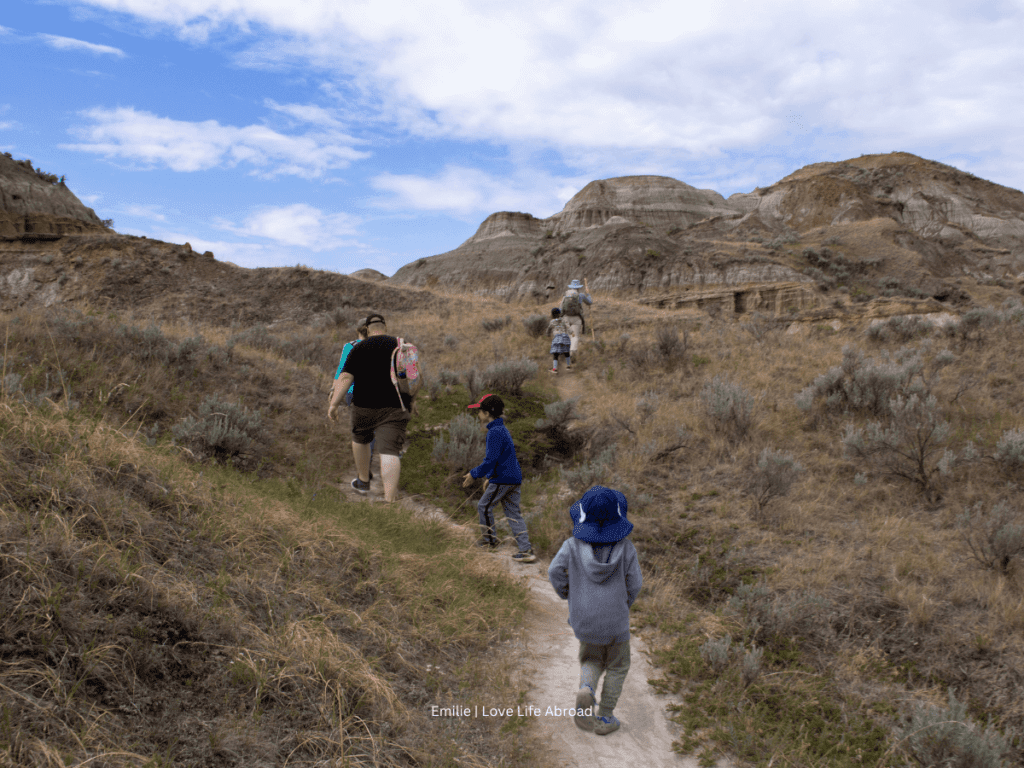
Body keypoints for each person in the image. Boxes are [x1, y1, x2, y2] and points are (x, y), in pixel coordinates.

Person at [548, 485, 642, 735]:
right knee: (618, 666)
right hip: (616, 622)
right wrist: (623, 604)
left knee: (591, 658)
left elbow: (554, 571)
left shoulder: (571, 545)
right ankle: (606, 717)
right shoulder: (627, 548)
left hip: (584, 620)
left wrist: (568, 594)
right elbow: (635, 584)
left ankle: (586, 689)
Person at [328, 313, 419, 503]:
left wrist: (334, 404)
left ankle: (363, 479)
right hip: (395, 407)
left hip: (363, 406)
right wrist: (412, 401)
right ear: (385, 327)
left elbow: (346, 378)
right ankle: (389, 499)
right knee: (389, 451)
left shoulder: (359, 347)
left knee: (360, 440)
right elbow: (414, 379)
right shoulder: (401, 345)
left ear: (368, 329)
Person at [461, 394, 537, 563]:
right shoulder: (502, 429)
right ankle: (526, 550)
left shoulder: (494, 432)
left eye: (480, 410)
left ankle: (489, 541)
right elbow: (502, 458)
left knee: (484, 506)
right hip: (513, 478)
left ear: (487, 413)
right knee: (513, 514)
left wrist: (474, 474)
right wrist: (489, 477)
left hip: (503, 479)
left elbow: (490, 461)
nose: (478, 414)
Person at [331, 323, 374, 478]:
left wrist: (333, 391)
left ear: (358, 332)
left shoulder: (349, 346)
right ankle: (368, 461)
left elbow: (342, 371)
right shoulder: (378, 347)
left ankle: (364, 466)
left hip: (352, 392)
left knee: (360, 428)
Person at [560, 278, 593, 360]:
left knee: (567, 336)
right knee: (575, 336)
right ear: (578, 287)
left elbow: (561, 307)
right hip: (576, 318)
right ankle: (572, 352)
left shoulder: (566, 294)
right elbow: (590, 302)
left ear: (571, 286)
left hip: (566, 317)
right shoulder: (581, 295)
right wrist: (588, 294)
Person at [547, 307, 573, 373]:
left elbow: (548, 329)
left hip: (557, 338)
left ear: (552, 314)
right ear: (559, 314)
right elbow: (568, 327)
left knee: (555, 354)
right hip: (565, 337)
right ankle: (568, 366)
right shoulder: (564, 320)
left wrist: (548, 334)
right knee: (566, 352)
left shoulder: (552, 322)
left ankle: (554, 369)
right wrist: (572, 333)